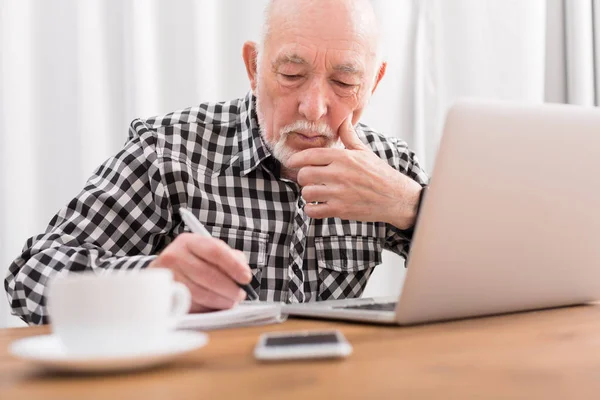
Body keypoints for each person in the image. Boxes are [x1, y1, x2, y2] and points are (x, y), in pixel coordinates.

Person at [5, 0, 428, 325]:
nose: (315, 108)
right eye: (292, 74)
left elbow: (485, 273)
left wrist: (412, 205)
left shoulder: (389, 163)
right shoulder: (171, 151)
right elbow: (31, 277)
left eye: (344, 82)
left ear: (373, 82)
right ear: (253, 65)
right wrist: (152, 281)